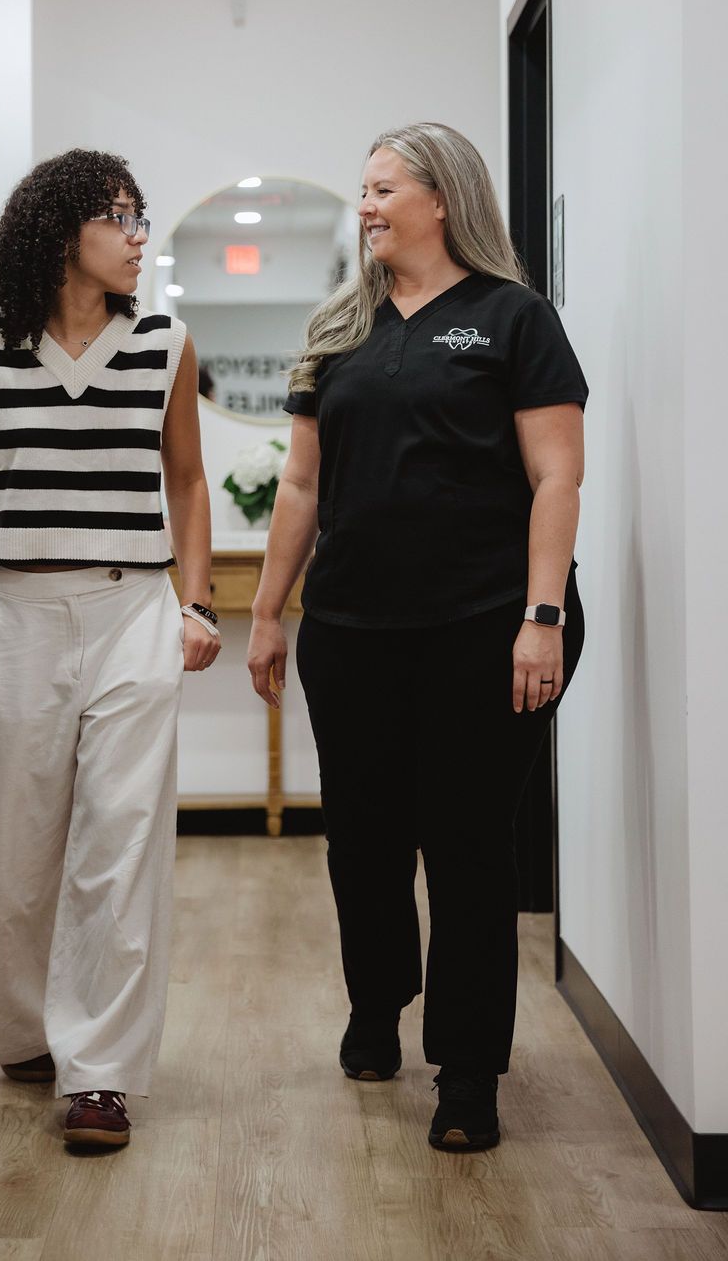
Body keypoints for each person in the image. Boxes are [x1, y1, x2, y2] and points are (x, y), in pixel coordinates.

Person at [247, 123, 587, 1152]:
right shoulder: (337, 328)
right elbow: (301, 483)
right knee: (361, 841)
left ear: (441, 199)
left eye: (381, 187)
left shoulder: (512, 318)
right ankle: (375, 1002)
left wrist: (542, 617)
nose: (364, 205)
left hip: (483, 627)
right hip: (351, 629)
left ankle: (469, 1071)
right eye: (360, 190)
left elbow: (555, 477)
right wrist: (266, 610)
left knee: (471, 845)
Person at [0, 149, 220, 1149]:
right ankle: (21, 1028)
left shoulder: (165, 342)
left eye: (144, 218)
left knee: (119, 838)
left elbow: (186, 478)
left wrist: (198, 601)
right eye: (123, 217)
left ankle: (99, 1070)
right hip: (14, 612)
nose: (141, 235)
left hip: (132, 607)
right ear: (64, 231)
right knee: (17, 842)